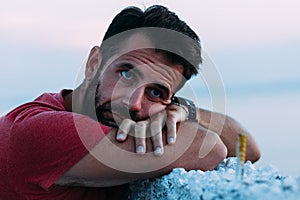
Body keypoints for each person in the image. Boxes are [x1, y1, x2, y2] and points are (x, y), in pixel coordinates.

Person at [0, 5, 260, 200]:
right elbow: (211, 149)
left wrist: (182, 110)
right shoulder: (41, 132)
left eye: (155, 92)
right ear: (93, 64)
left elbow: (248, 148)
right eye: (126, 73)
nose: (133, 103)